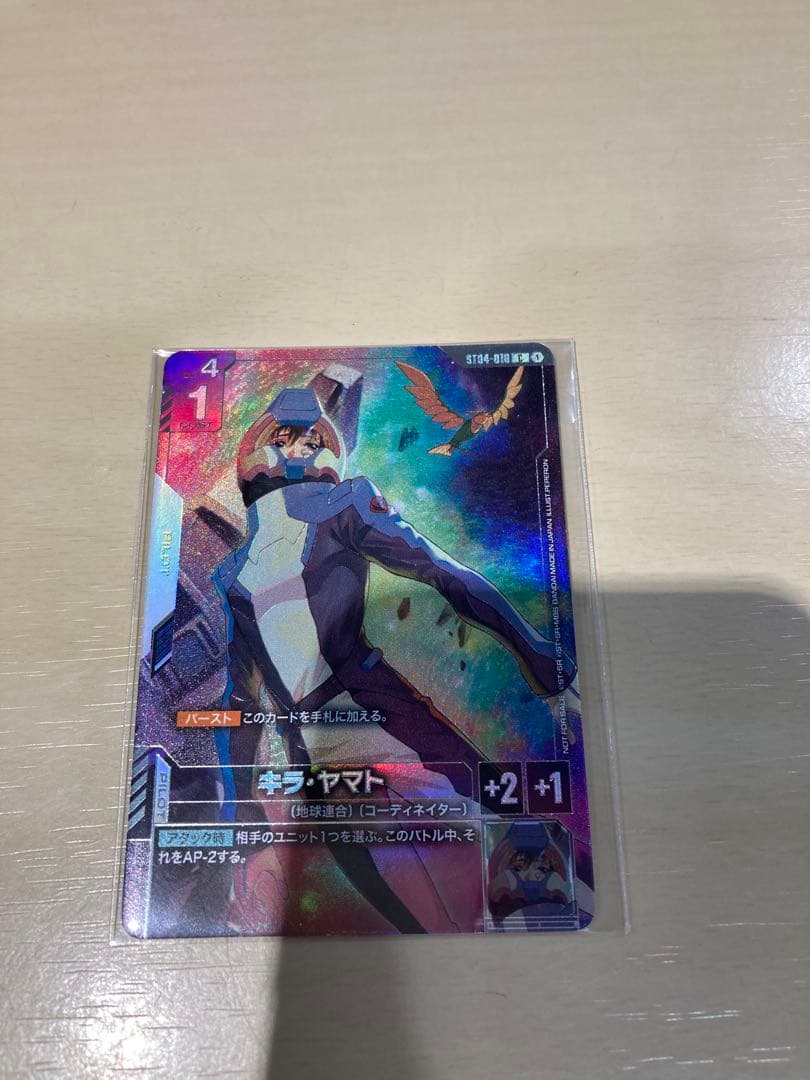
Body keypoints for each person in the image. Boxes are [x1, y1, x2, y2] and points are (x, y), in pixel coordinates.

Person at [214, 386, 576, 931]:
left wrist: (535, 652)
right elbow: (238, 701)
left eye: (310, 441)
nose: (298, 452)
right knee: (389, 896)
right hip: (307, 748)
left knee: (501, 817)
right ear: (259, 448)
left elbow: (439, 570)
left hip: (380, 710)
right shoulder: (230, 574)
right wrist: (241, 816)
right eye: (286, 439)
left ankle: (562, 896)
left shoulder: (344, 505)